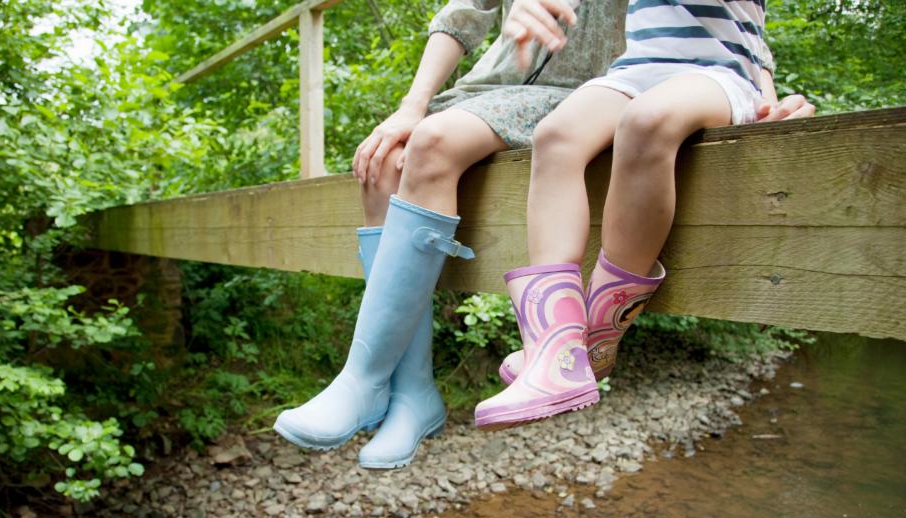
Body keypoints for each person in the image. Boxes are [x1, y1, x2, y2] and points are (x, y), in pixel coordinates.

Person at [274, 0, 814, 465]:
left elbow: (738, 29)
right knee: (383, 165)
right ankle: (404, 389)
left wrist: (764, 91)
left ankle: (381, 378)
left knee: (431, 144)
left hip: (592, 88)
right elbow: (466, 10)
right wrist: (411, 103)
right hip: (524, 88)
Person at [473, 0, 816, 431]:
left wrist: (768, 97)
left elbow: (752, 36)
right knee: (555, 135)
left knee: (646, 121)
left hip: (718, 73)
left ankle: (591, 344)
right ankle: (552, 347)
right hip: (634, 69)